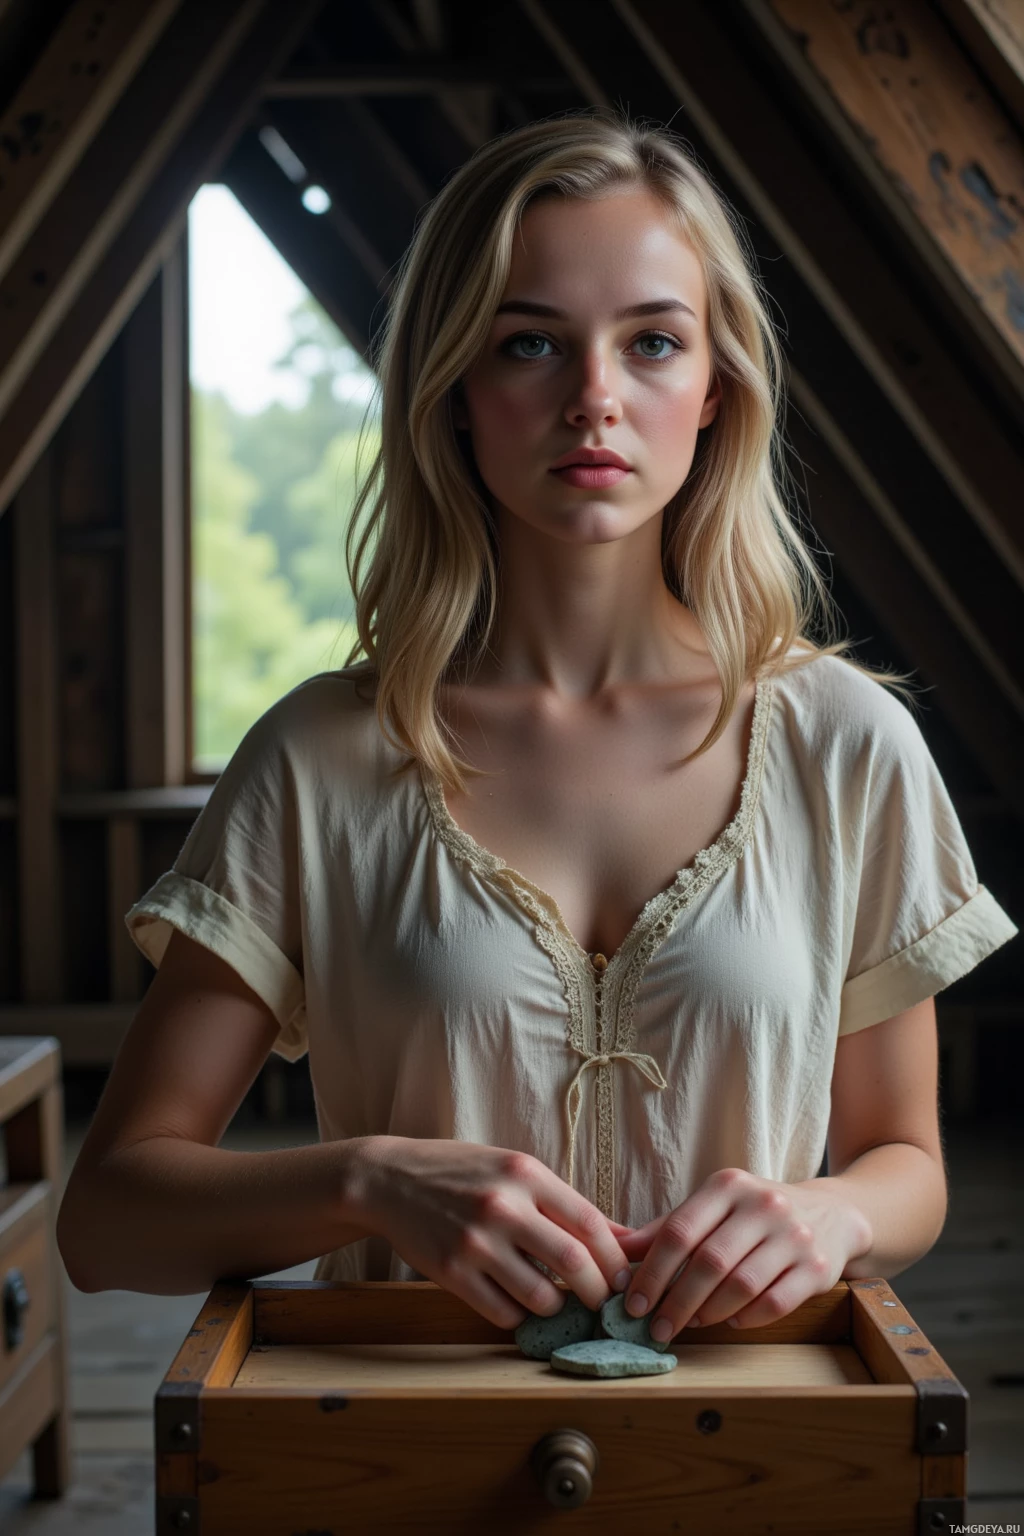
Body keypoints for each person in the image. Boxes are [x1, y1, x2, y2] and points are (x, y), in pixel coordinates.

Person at [57, 114, 1017, 1347]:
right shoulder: (316, 761)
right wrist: (368, 1181)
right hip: (406, 1473)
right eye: (529, 344)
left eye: (653, 342)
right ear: (455, 388)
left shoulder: (848, 744)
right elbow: (108, 1221)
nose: (594, 400)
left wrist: (828, 1213)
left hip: (753, 1465)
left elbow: (906, 1164)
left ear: (716, 389)